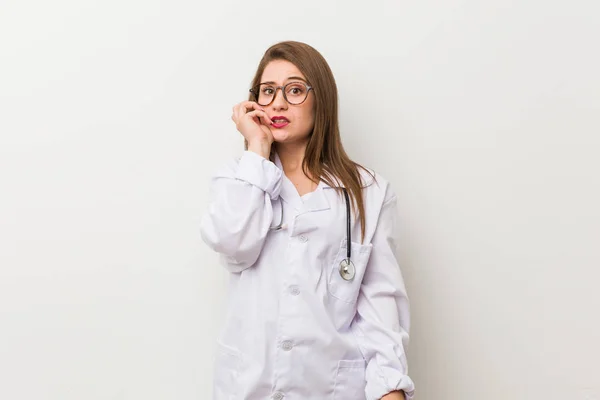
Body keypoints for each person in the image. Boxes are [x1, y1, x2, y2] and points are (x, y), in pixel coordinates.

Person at [200, 41, 415, 400]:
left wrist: (391, 390)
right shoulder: (238, 179)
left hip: (332, 389)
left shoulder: (368, 192)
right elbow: (232, 244)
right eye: (268, 91)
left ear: (322, 100)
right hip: (248, 387)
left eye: (295, 90)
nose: (279, 103)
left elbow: (381, 308)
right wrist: (257, 148)